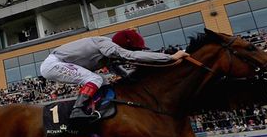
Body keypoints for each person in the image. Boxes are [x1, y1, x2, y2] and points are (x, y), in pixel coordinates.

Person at [39, 29, 188, 120]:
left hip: (60, 63)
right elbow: (131, 56)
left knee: (103, 81)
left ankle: (95, 110)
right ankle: (77, 110)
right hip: (53, 64)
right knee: (95, 78)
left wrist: (131, 80)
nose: (138, 50)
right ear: (125, 45)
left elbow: (120, 71)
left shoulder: (108, 54)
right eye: (135, 48)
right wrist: (169, 57)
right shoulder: (106, 44)